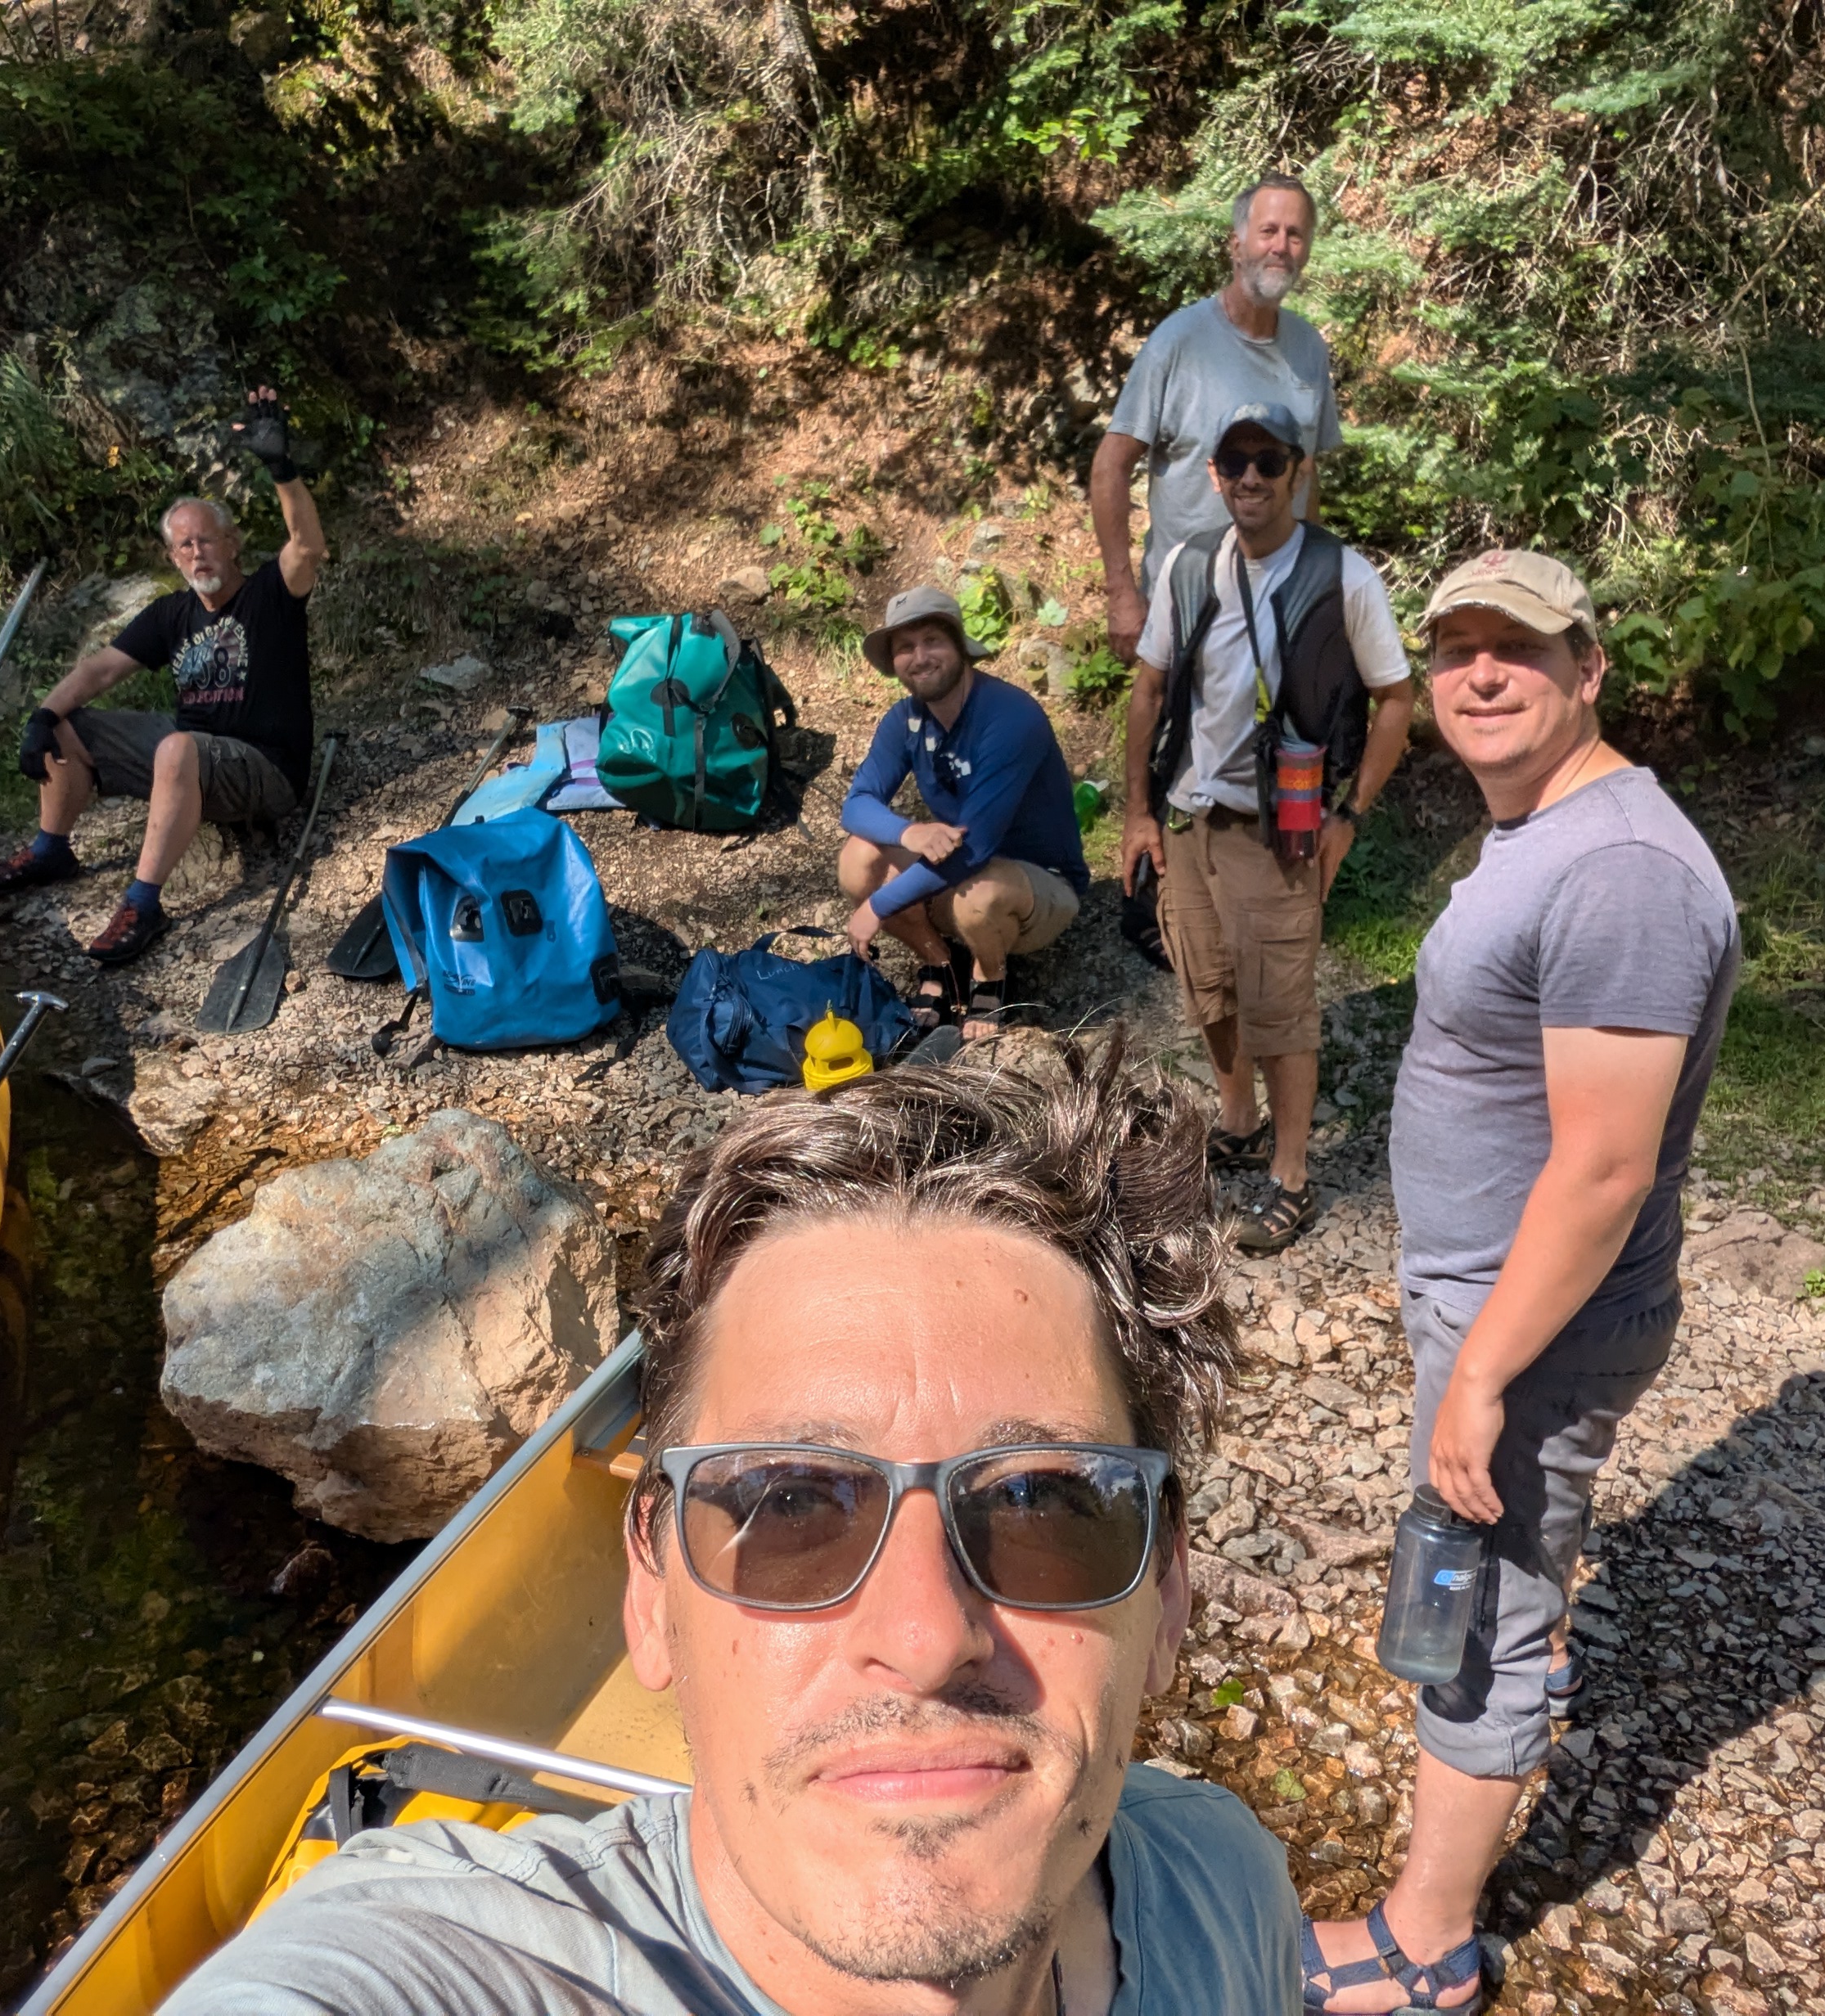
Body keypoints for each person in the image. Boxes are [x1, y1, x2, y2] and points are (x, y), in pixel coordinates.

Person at [160, 1046, 1303, 2015]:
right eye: (792, 1504)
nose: (923, 1632)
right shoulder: (440, 1971)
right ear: (651, 1594)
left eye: (1038, 1503)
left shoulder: (1225, 1889)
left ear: (1170, 1594)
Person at [1301, 551, 1738, 2015]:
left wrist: (1482, 1365)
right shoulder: (1542, 824)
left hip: (1535, 1326)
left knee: (1481, 1603)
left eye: (1521, 649)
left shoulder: (1622, 871)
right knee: (1472, 1575)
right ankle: (1435, 1879)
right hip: (1492, 1304)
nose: (1482, 674)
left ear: (1591, 665)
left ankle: (1429, 1942)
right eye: (1457, 649)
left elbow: (1605, 1167)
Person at [1119, 403, 1413, 1253]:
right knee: (1205, 981)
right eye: (1235, 462)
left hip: (1280, 823)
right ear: (1214, 474)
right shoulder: (1185, 565)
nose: (1251, 478)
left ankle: (1291, 1176)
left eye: (1269, 462)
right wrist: (1139, 812)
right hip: (1190, 815)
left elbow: (1395, 698)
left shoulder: (1341, 576)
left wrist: (1349, 815)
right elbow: (1148, 691)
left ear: (1297, 472)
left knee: (1280, 1005)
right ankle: (1238, 1123)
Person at [0, 386, 328, 964]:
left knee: (175, 748)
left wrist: (281, 469)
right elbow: (101, 669)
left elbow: (307, 546)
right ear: (173, 558)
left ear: (232, 544)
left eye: (206, 540)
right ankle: (50, 851)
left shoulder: (270, 593)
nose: (196, 554)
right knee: (73, 723)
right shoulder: (171, 613)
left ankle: (144, 904)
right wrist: (43, 716)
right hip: (190, 761)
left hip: (265, 770)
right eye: (183, 546)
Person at [1094, 175, 1341, 672]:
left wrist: (1315, 582)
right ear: (1236, 244)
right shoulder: (1179, 342)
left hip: (1278, 609)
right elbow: (1110, 466)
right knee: (1178, 746)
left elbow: (1306, 474)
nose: (1282, 247)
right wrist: (1122, 593)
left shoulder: (1309, 349)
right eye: (1268, 231)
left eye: (1296, 235)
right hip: (1186, 609)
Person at [839, 586, 1090, 1037]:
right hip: (958, 873)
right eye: (905, 648)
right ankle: (940, 963)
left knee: (978, 896)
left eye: (932, 640)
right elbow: (857, 803)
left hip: (1038, 881)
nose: (920, 657)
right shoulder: (906, 720)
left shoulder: (1011, 717)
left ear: (959, 646)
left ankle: (990, 977)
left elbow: (973, 849)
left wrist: (878, 906)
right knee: (859, 858)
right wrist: (910, 833)